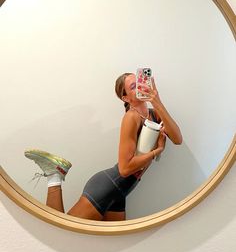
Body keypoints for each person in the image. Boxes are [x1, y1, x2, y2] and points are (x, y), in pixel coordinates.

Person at [25, 72, 182, 221]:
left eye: (140, 83)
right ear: (125, 98)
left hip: (121, 192)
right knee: (60, 231)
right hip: (109, 186)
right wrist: (156, 151)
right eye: (133, 87)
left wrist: (157, 101)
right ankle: (54, 175)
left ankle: (54, 176)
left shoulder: (155, 114)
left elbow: (177, 139)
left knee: (112, 244)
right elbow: (125, 169)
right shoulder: (131, 118)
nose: (140, 88)